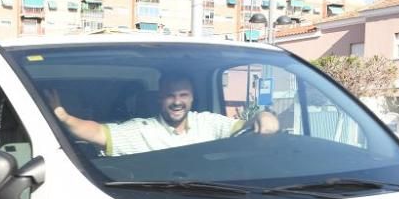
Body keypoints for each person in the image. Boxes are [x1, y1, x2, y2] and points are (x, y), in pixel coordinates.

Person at [51, 72, 280, 155]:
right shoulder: (142, 129)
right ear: (160, 99)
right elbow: (98, 132)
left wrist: (264, 117)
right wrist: (64, 117)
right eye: (170, 95)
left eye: (183, 95)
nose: (177, 101)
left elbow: (245, 126)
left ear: (192, 98)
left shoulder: (208, 123)